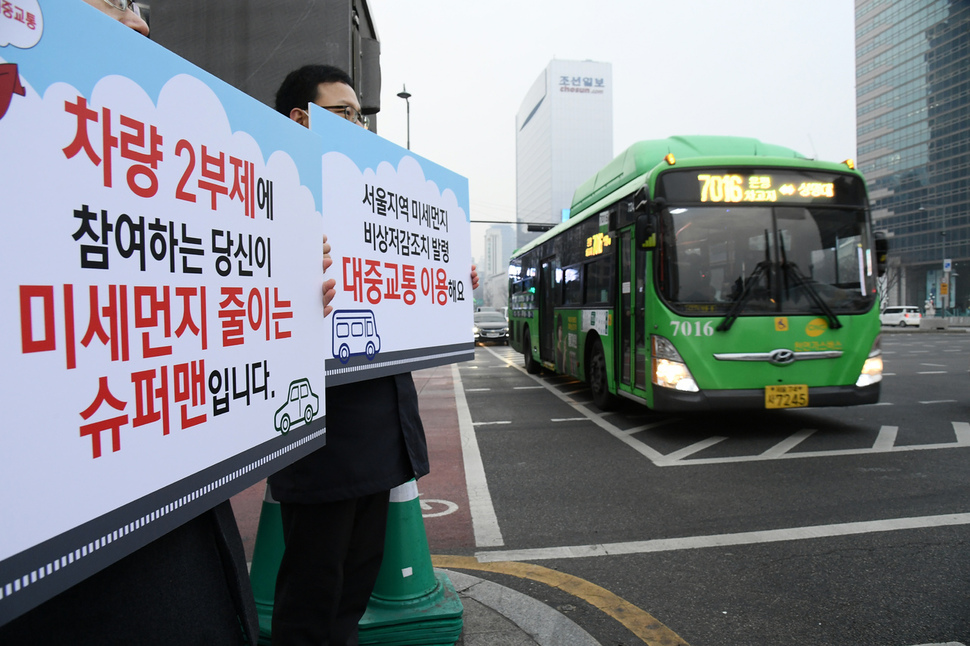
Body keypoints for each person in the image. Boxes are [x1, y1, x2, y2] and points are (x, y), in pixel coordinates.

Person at [268, 64, 477, 646]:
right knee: (312, 600)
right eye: (344, 113)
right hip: (322, 442)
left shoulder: (372, 198)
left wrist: (447, 279)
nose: (359, 124)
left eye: (362, 115)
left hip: (383, 437)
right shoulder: (274, 194)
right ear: (301, 119)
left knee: (350, 598)